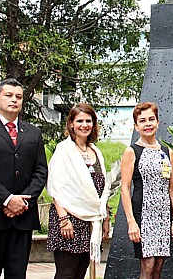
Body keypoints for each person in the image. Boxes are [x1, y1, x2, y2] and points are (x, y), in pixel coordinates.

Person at [0, 78, 48, 279]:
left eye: (18, 97)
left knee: (17, 274)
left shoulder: (33, 132)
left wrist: (22, 202)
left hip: (23, 217)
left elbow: (40, 171)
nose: (14, 100)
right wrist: (7, 200)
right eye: (9, 95)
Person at [46, 103, 110, 279]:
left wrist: (105, 217)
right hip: (68, 219)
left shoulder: (96, 151)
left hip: (91, 220)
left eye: (88, 121)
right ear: (71, 124)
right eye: (80, 120)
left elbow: (102, 190)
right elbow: (55, 187)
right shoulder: (63, 150)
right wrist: (63, 219)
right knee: (66, 273)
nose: (84, 125)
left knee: (81, 273)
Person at [119, 102, 173, 279]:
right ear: (136, 126)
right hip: (143, 216)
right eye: (142, 121)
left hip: (163, 216)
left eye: (151, 119)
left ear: (158, 122)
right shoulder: (132, 151)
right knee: (147, 266)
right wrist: (131, 222)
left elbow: (172, 187)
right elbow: (125, 188)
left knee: (157, 268)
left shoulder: (166, 152)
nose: (148, 124)